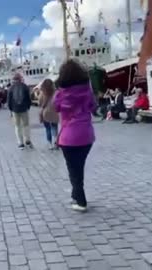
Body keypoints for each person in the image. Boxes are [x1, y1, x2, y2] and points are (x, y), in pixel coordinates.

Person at [54, 59, 96, 212]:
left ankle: (81, 201)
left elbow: (56, 107)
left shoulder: (61, 94)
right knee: (79, 167)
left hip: (69, 137)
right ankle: (75, 194)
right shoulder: (87, 91)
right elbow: (93, 107)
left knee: (74, 170)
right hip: (86, 135)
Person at [8, 73, 33, 149]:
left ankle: (20, 143)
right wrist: (28, 106)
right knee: (26, 125)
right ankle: (27, 140)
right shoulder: (25, 86)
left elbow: (8, 100)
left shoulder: (11, 88)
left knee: (17, 126)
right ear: (20, 79)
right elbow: (29, 98)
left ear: (14, 80)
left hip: (15, 110)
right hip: (24, 109)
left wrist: (11, 109)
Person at [38, 79, 59, 150]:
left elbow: (39, 103)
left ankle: (50, 144)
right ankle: (56, 142)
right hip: (54, 111)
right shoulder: (56, 92)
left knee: (48, 128)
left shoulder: (42, 93)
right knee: (54, 127)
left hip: (45, 112)